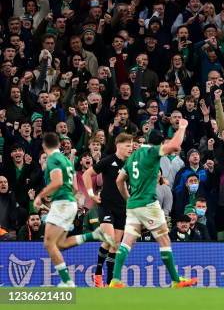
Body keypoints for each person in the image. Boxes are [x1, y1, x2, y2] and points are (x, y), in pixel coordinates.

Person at [108, 119, 197, 288]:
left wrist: (128, 198)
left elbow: (119, 180)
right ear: (160, 143)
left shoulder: (133, 155)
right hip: (148, 204)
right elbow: (176, 145)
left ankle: (116, 279)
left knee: (126, 242)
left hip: (133, 205)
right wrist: (183, 126)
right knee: (164, 240)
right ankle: (176, 281)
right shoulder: (152, 152)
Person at [33, 132, 114, 288]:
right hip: (70, 202)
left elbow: (57, 182)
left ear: (44, 146)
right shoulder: (66, 160)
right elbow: (75, 187)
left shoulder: (52, 159)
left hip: (62, 203)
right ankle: (94, 235)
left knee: (49, 244)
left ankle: (67, 281)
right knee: (60, 244)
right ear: (58, 144)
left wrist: (40, 196)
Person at [82, 132, 134, 287]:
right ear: (118, 146)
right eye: (127, 145)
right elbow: (87, 175)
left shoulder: (131, 164)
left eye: (132, 145)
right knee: (110, 238)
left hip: (123, 209)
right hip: (106, 206)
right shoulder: (108, 161)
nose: (131, 148)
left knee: (115, 244)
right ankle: (98, 273)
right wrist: (91, 194)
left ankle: (112, 281)